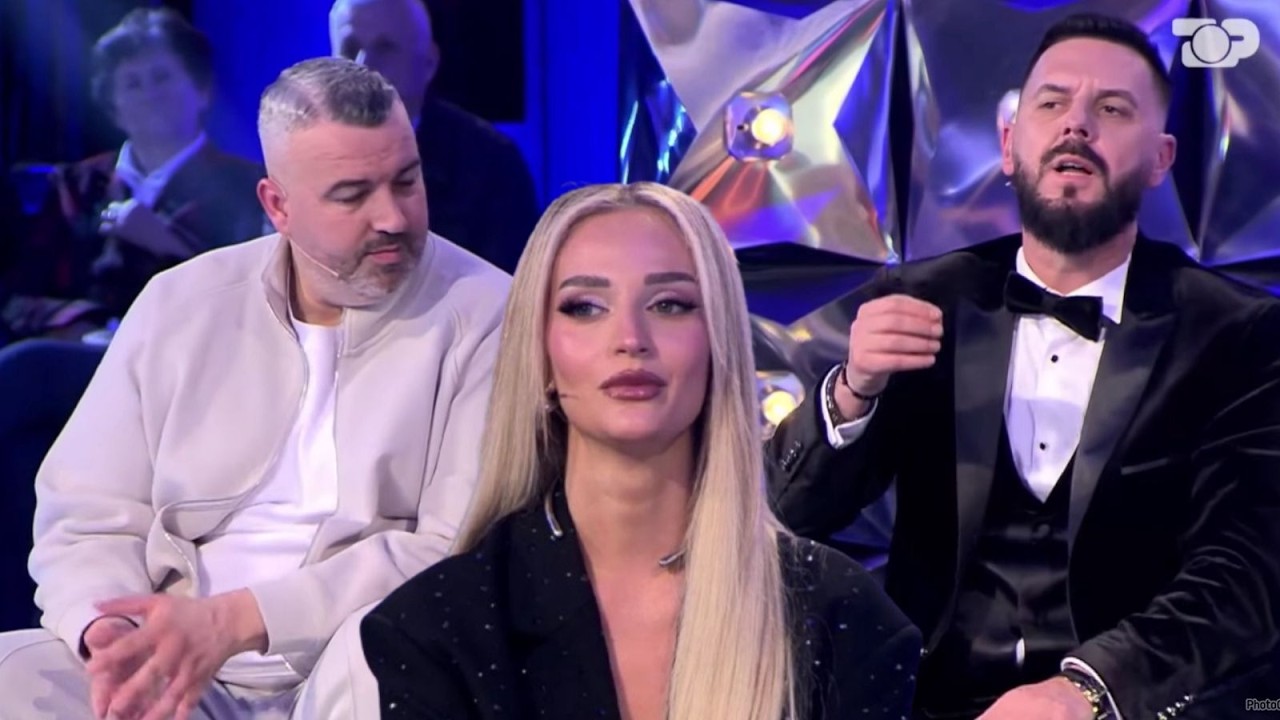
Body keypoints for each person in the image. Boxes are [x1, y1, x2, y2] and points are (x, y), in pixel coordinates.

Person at [765, 12, 1280, 720]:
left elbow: (1247, 572)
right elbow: (785, 518)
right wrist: (853, 393)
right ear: (1009, 145)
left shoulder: (1237, 333)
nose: (1077, 125)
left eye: (1112, 109)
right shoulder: (923, 300)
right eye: (1052, 102)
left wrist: (1089, 691)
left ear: (1161, 160)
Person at [0, 57, 508, 719]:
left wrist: (235, 620)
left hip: (352, 657)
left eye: (406, 181)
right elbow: (87, 512)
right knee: (15, 676)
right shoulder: (181, 303)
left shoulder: (488, 311)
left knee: (384, 659)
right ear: (277, 206)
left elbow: (455, 549)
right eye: (352, 195)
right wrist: (112, 633)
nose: (391, 216)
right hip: (178, 654)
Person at [360, 182, 921, 720]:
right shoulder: (439, 628)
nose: (630, 338)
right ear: (541, 355)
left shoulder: (841, 619)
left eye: (669, 304)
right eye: (585, 307)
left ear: (718, 342)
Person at [1, 8, 264, 341]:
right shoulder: (73, 185)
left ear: (202, 92)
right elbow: (20, 296)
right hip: (82, 360)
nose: (150, 95)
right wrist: (83, 329)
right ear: (114, 111)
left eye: (162, 77)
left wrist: (167, 243)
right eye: (132, 84)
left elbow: (255, 307)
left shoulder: (249, 188)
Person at [330, 0, 540, 275]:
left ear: (428, 63)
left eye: (385, 48)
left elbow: (512, 289)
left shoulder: (493, 167)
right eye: (350, 49)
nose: (364, 66)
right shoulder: (307, 160)